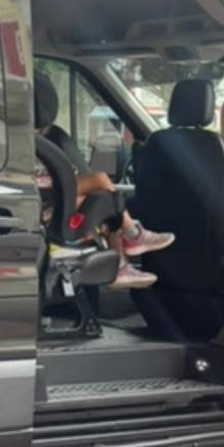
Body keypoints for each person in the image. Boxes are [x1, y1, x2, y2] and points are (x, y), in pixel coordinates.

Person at [34, 71, 174, 290]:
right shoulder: (31, 141)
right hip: (42, 208)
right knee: (101, 182)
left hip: (47, 201)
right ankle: (132, 236)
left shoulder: (33, 138)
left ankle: (120, 263)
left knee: (106, 201)